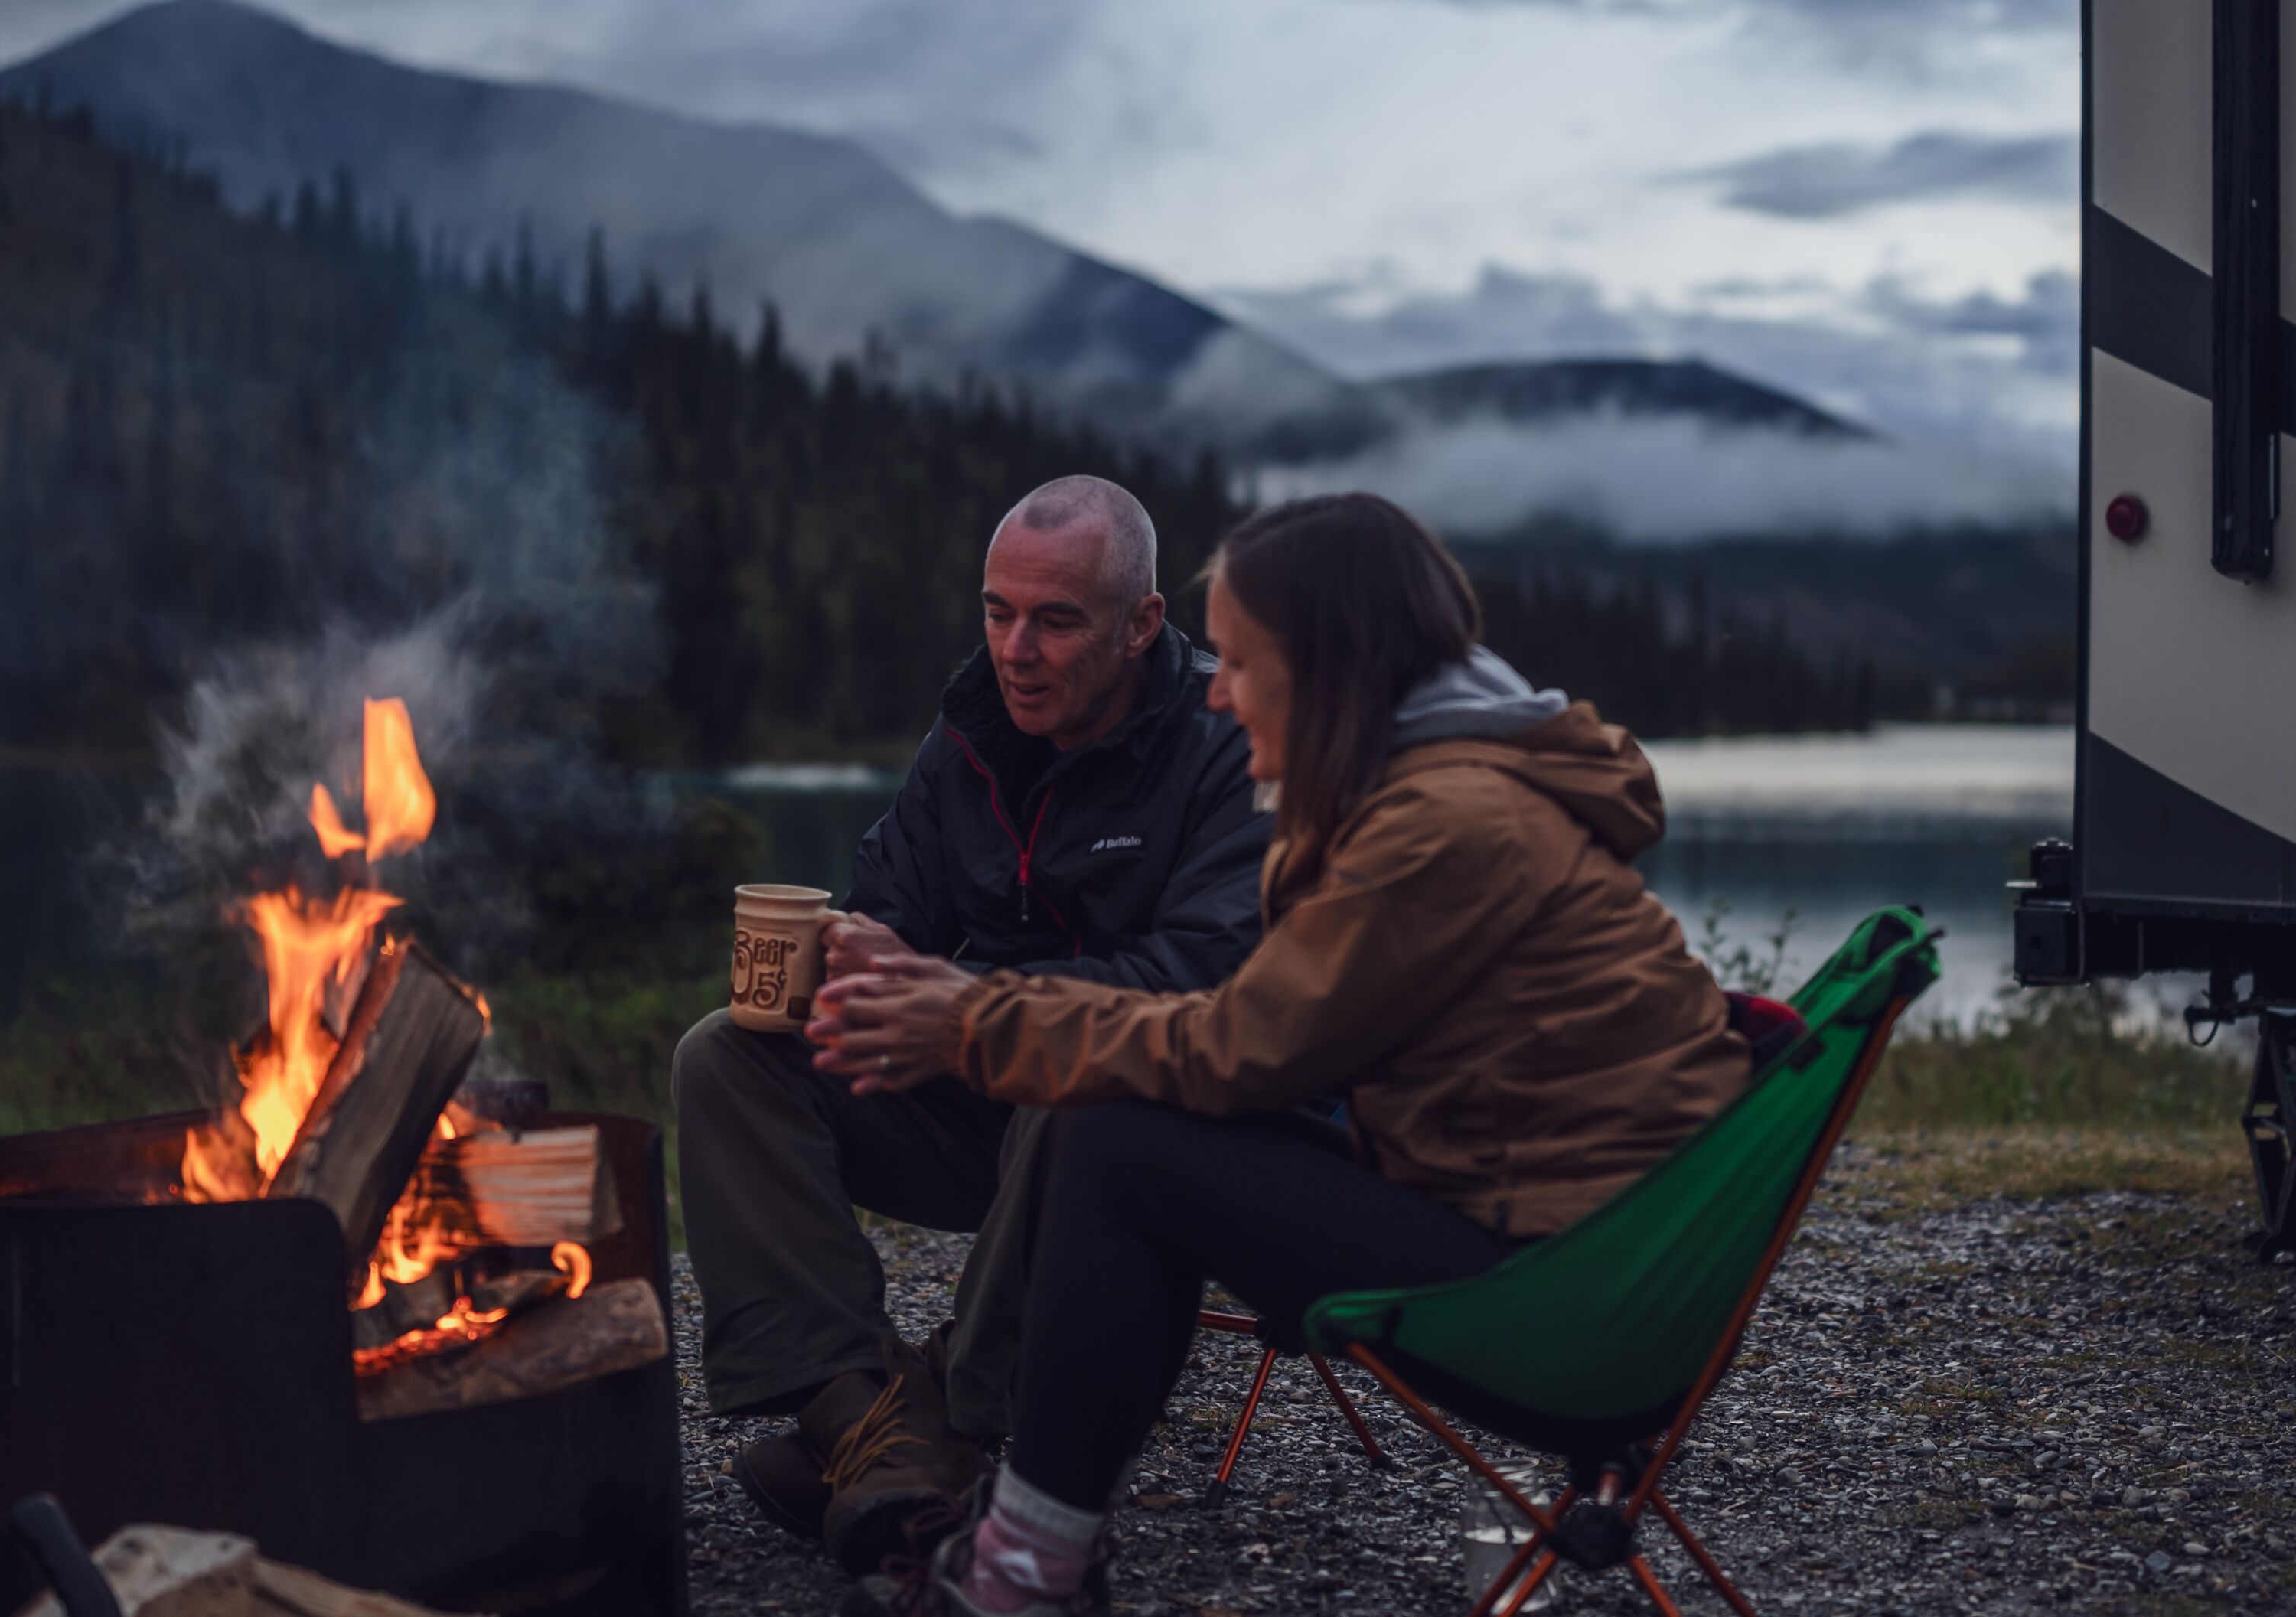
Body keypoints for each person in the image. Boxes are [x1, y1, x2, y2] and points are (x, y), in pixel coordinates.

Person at [807, 491, 1750, 1617]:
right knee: (1143, 1119)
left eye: (1244, 661)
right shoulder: (1435, 783)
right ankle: (982, 1497)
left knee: (1121, 1141)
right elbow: (1281, 1036)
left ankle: (1017, 1566)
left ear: (1328, 668)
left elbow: (1237, 1047)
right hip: (1582, 1251)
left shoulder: (1443, 825)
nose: (1215, 688)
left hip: (1573, 1308)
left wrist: (965, 1017)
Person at [675, 474, 1271, 1573]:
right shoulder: (973, 739)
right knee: (729, 1052)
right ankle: (865, 1412)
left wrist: (974, 1011)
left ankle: (947, 1421)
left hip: (1147, 1121)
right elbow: (888, 910)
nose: (1016, 650)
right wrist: (842, 963)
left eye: (1055, 620)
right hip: (978, 1097)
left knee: (1080, 1084)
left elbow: (1208, 983)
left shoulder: (1219, 742)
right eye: (997, 613)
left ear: (1142, 623)